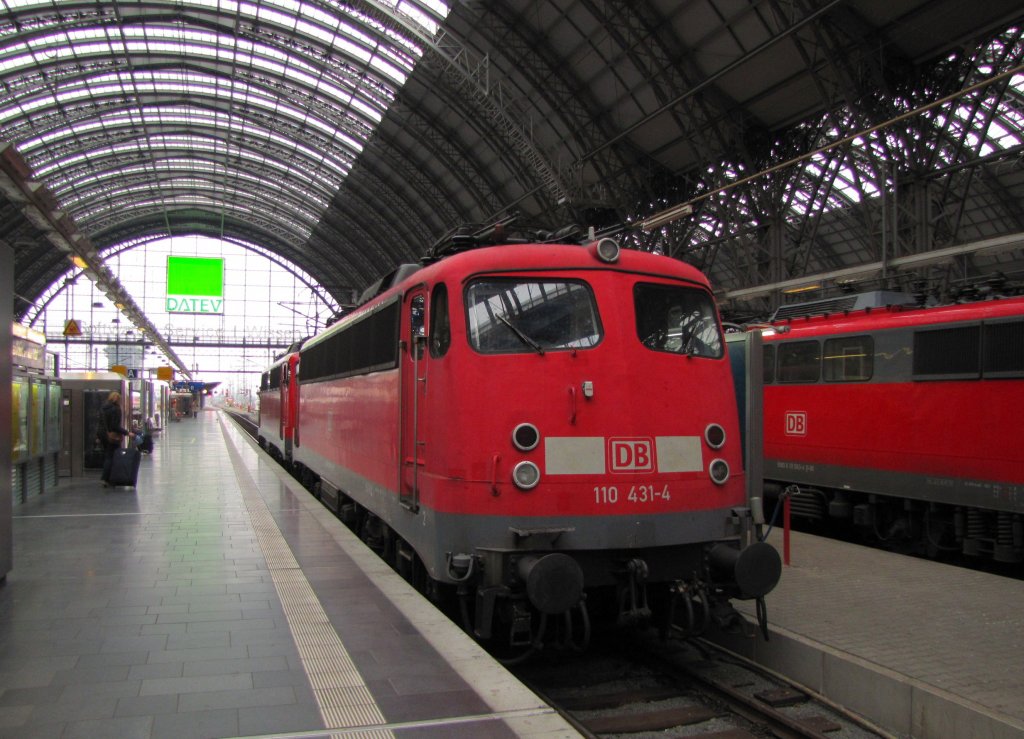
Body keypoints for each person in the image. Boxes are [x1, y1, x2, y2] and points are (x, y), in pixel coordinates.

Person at [97, 391, 130, 487]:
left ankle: (107, 478)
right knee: (111, 456)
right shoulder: (116, 409)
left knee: (108, 455)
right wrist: (127, 433)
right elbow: (115, 426)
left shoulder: (103, 407)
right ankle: (107, 478)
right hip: (112, 436)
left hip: (103, 434)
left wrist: (98, 436)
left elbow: (100, 422)